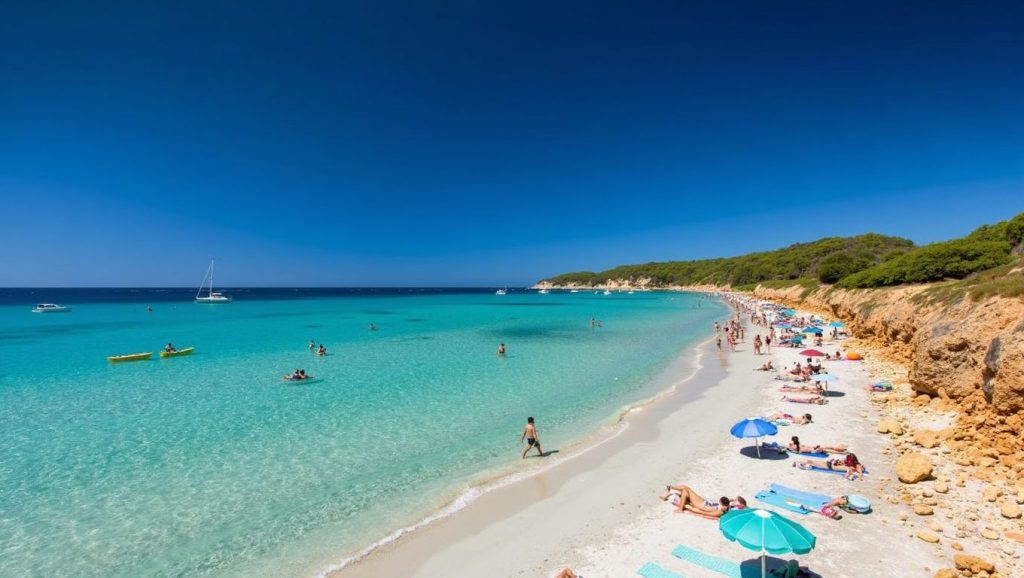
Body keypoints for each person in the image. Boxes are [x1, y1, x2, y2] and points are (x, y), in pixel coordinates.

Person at [793, 453, 865, 480]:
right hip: (830, 463)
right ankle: (799, 463)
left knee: (811, 462)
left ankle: (798, 463)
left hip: (829, 465)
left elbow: (858, 472)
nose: (846, 460)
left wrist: (847, 476)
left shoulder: (852, 467)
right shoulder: (850, 464)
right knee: (811, 462)